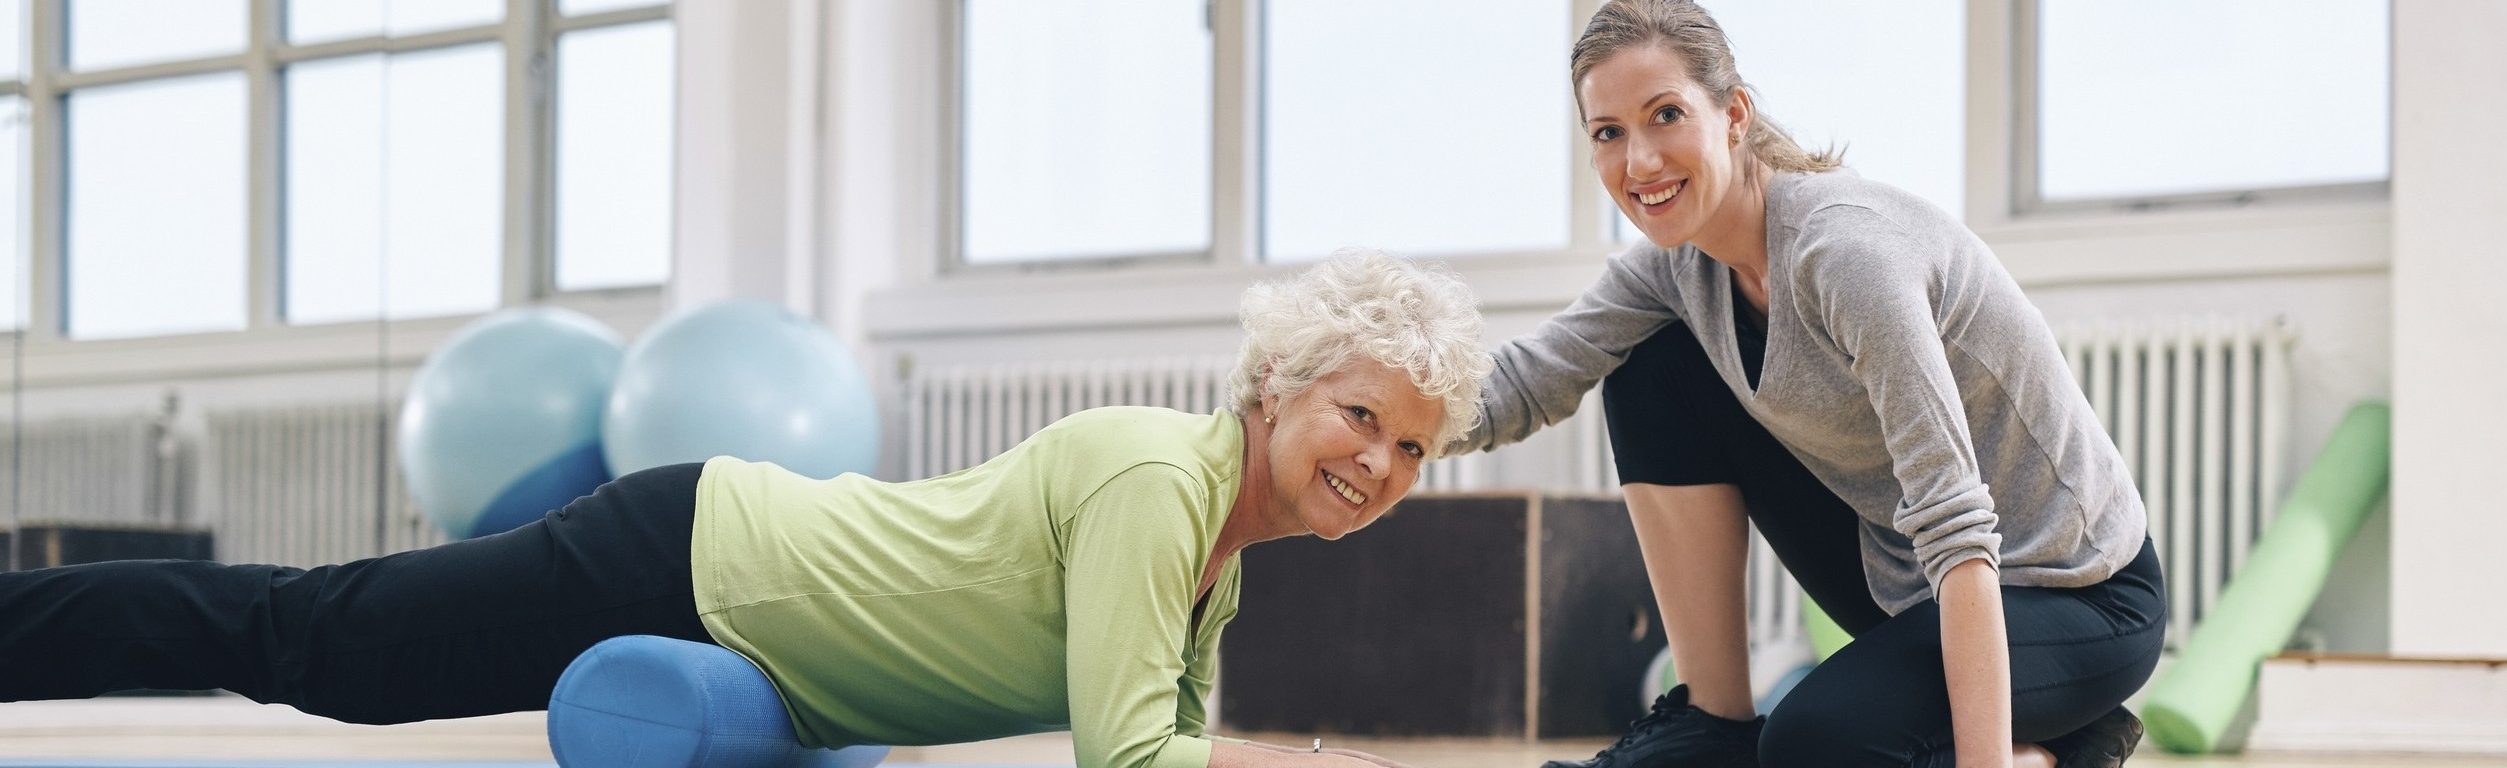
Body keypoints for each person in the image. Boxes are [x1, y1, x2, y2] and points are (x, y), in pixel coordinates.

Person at [0, 249, 1489, 768]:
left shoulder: (1215, 567)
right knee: (313, 646)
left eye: (1414, 450)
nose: (1378, 464)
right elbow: (1130, 753)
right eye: (1362, 416)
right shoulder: (1162, 480)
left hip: (723, 588)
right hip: (690, 561)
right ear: (1282, 385)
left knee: (314, 642)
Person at [1457, 2, 2165, 767]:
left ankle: (2068, 749)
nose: (1640, 162)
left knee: (1813, 746)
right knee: (1650, 369)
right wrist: (1365, 432)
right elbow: (1526, 383)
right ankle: (1713, 727)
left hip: (2077, 593)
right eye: (1609, 133)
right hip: (1906, 579)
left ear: (1734, 116)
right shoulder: (1676, 268)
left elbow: (1958, 530)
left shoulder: (1847, 256)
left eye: (1666, 115)